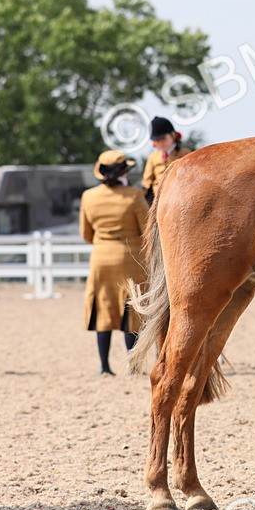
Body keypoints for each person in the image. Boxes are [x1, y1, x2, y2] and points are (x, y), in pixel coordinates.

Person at [81, 150, 149, 376]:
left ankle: (104, 366)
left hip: (101, 258)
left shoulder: (88, 196)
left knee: (103, 310)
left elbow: (86, 234)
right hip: (130, 257)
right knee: (131, 312)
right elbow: (146, 229)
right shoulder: (134, 196)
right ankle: (134, 365)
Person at [141, 116, 191, 205]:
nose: (160, 143)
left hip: (180, 196)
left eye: (163, 138)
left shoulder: (184, 153)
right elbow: (147, 180)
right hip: (158, 199)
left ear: (172, 135)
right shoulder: (153, 157)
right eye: (157, 140)